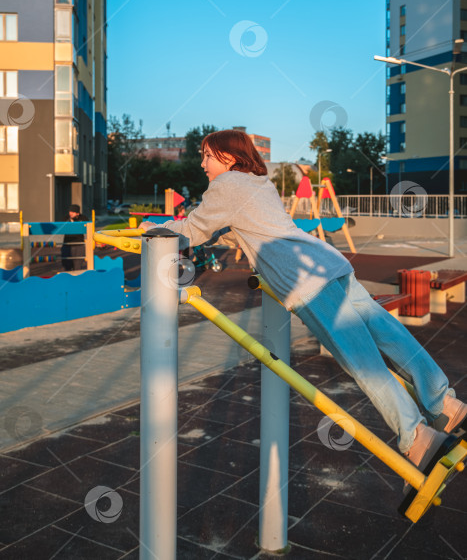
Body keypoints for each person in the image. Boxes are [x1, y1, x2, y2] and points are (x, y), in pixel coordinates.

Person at [139, 129, 467, 487]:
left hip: (306, 282)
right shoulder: (255, 182)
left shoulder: (226, 185)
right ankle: (445, 405)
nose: (202, 163)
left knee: (364, 361)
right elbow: (240, 229)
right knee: (389, 335)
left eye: (207, 155)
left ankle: (418, 439)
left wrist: (152, 228)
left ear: (229, 158)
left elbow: (193, 230)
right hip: (331, 265)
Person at [62, 204, 89, 271]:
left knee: (78, 265)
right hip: (67, 244)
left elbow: (88, 226)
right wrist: (71, 219)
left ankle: (77, 278)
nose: (70, 213)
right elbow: (61, 227)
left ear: (77, 213)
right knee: (67, 264)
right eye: (70, 211)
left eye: (73, 212)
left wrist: (76, 220)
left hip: (79, 244)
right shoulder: (66, 218)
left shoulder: (83, 218)